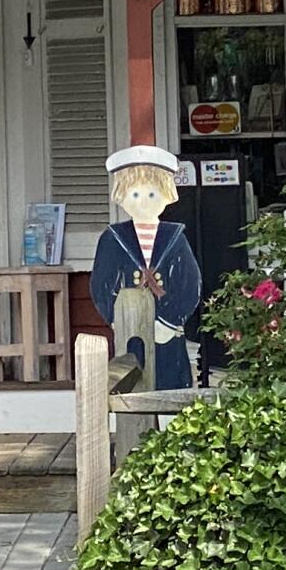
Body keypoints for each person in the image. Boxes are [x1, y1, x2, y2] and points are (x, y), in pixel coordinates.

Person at [90, 146, 203, 392]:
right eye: (134, 194)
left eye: (151, 195)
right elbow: (101, 285)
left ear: (166, 195)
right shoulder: (112, 238)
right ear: (120, 196)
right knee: (132, 383)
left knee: (170, 384)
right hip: (130, 327)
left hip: (167, 329)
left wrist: (170, 321)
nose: (143, 202)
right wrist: (116, 318)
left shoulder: (175, 237)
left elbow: (189, 284)